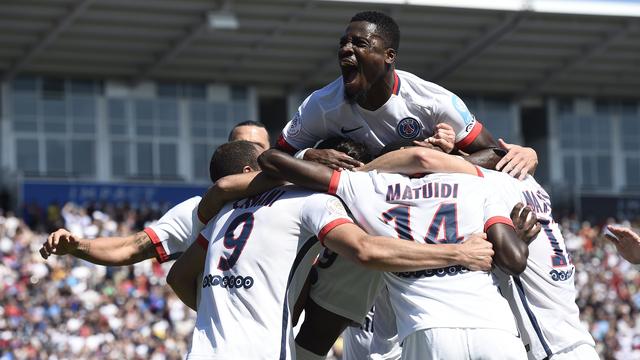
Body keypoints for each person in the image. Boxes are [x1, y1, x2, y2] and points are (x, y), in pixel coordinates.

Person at [167, 141, 496, 360]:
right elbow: (364, 249)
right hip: (262, 350)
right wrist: (458, 253)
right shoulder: (306, 201)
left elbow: (178, 276)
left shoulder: (223, 214)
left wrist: (224, 309)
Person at [258, 143, 531, 359]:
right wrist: (517, 237)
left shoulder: (369, 187)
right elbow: (514, 260)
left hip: (428, 333)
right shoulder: (476, 184)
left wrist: (343, 167)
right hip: (497, 330)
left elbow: (271, 160)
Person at [363, 146, 599, 359]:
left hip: (549, 346)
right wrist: (530, 153)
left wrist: (364, 172)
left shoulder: (485, 183)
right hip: (575, 339)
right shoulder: (532, 185)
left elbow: (423, 160)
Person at [275, 11, 537, 180]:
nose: (346, 49)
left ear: (389, 56)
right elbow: (275, 156)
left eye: (359, 43)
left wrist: (442, 161)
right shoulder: (320, 105)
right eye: (343, 43)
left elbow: (493, 153)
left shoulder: (433, 100)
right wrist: (306, 155)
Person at [39, 121, 271, 266]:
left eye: (257, 147)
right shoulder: (196, 212)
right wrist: (79, 246)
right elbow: (129, 248)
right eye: (239, 144)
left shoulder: (294, 200)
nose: (248, 152)